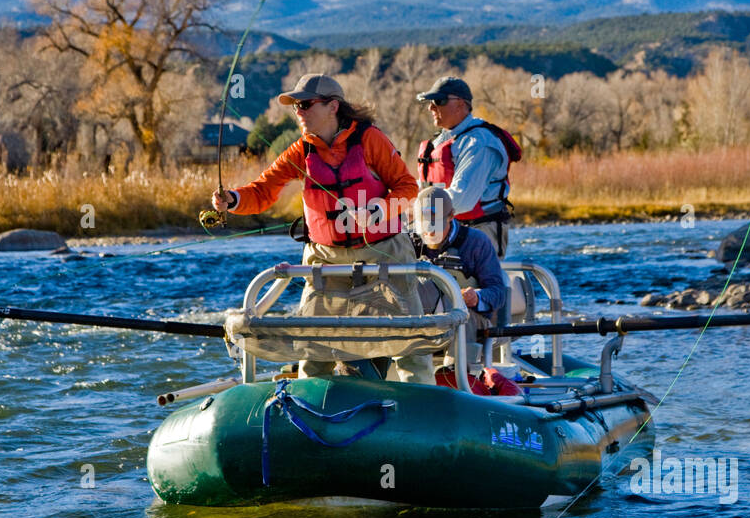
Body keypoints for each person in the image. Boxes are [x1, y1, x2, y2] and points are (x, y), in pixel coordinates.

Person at [212, 73, 432, 383]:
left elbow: (408, 187)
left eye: (304, 104)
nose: (298, 112)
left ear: (332, 106)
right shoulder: (301, 151)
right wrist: (232, 200)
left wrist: (378, 209)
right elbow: (263, 190)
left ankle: (421, 405)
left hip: (385, 251)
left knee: (408, 340)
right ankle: (311, 406)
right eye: (295, 107)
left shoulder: (370, 139)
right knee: (313, 344)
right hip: (325, 258)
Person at [415, 76, 522, 257]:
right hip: (442, 230)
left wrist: (416, 209)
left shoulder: (479, 142)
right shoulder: (442, 140)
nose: (431, 107)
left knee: (475, 284)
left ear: (460, 104)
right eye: (430, 102)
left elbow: (461, 200)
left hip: (478, 233)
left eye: (438, 101)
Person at [413, 185, 508, 346]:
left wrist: (477, 297)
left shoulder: (477, 241)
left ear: (451, 216)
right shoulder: (407, 241)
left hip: (468, 320)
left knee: (460, 319)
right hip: (422, 320)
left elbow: (498, 292)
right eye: (424, 226)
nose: (429, 233)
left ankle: (455, 369)